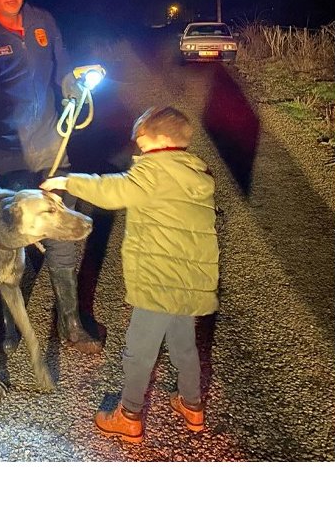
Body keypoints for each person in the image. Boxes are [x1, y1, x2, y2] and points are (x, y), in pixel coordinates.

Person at [40, 106, 219, 443]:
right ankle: (192, 405)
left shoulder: (154, 172)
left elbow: (112, 190)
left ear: (162, 139)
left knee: (139, 349)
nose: (138, 145)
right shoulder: (195, 173)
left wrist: (66, 181)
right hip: (190, 279)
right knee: (183, 344)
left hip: (158, 279)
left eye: (142, 138)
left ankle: (130, 414)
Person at [0, 0, 101, 354]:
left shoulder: (43, 23)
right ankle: (5, 327)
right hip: (6, 161)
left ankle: (70, 323)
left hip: (53, 151)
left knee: (63, 237)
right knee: (6, 243)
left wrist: (75, 85)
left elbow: (63, 70)